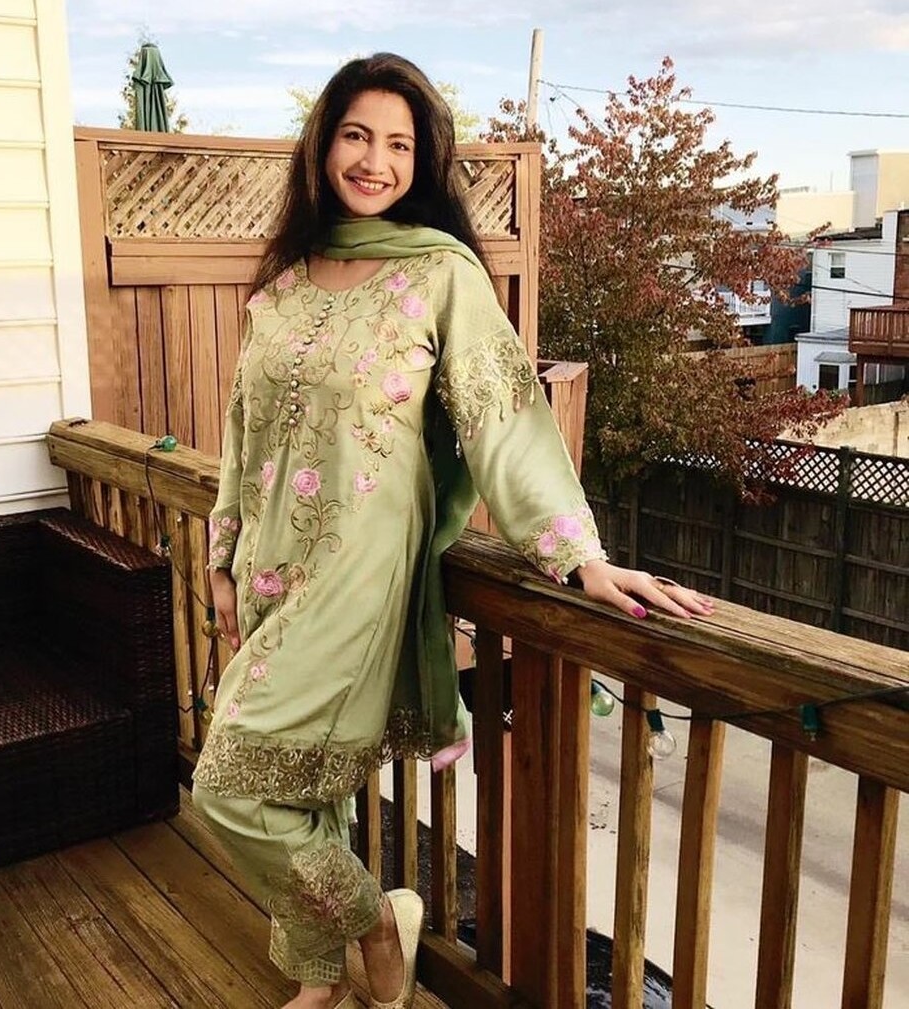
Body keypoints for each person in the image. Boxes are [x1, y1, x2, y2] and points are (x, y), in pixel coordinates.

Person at [193, 52, 713, 1009]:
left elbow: (503, 415)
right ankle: (321, 974)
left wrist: (580, 556)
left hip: (356, 575)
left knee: (228, 788)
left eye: (399, 144)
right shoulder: (285, 282)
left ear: (423, 161)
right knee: (299, 781)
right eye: (357, 135)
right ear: (322, 147)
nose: (375, 160)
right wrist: (223, 554)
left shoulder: (439, 275)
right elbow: (242, 427)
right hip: (269, 564)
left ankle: (374, 923)